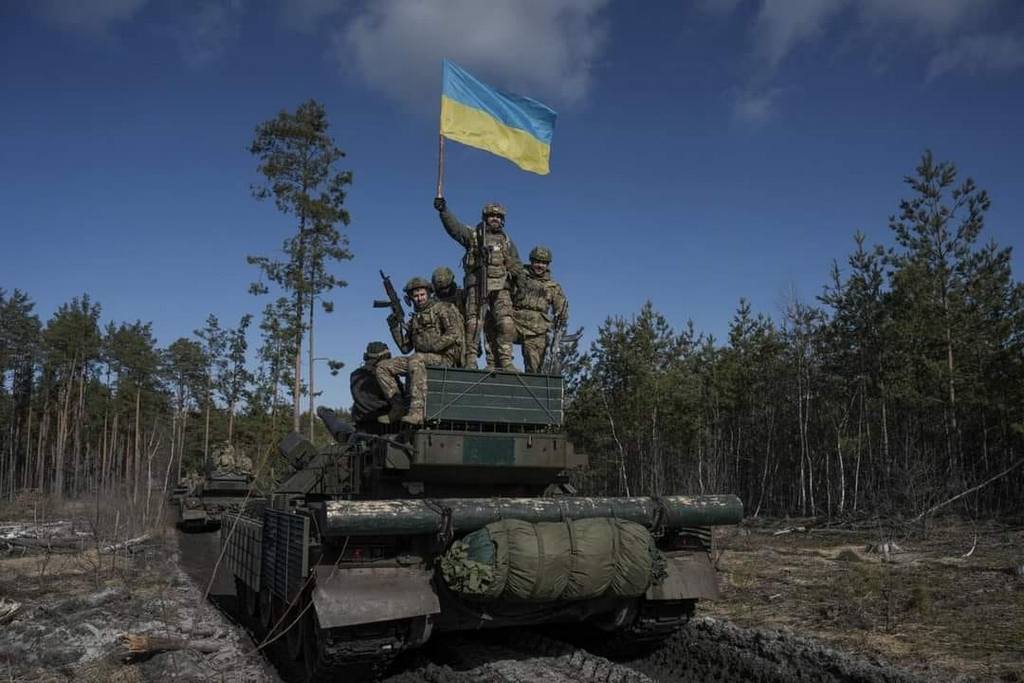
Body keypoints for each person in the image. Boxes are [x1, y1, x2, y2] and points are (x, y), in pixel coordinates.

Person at [434, 197, 523, 370]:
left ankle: (506, 361)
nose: (495, 219)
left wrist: (520, 284)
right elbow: (455, 228)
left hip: (501, 287)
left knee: (506, 323)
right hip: (477, 285)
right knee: (474, 323)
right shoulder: (473, 235)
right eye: (491, 216)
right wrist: (443, 211)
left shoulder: (507, 241)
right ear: (485, 217)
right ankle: (471, 360)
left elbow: (517, 264)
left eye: (498, 216)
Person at [375, 277, 464, 425]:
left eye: (422, 294)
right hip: (419, 359)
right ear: (410, 298)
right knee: (383, 367)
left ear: (428, 293)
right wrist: (394, 327)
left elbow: (454, 333)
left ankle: (417, 412)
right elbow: (405, 348)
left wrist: (434, 346)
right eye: (415, 296)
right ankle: (398, 408)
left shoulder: (443, 309)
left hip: (443, 358)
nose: (419, 298)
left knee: (416, 359)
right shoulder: (415, 319)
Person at [513, 246, 569, 373]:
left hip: (537, 329)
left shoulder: (553, 287)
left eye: (543, 263)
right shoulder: (518, 278)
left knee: (534, 369)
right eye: (537, 261)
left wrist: (560, 318)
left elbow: (561, 308)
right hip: (514, 321)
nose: (540, 265)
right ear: (531, 261)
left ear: (548, 265)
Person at [350, 341, 395, 425]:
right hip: (385, 423)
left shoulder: (355, 374)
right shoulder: (383, 374)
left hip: (361, 422)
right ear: (384, 357)